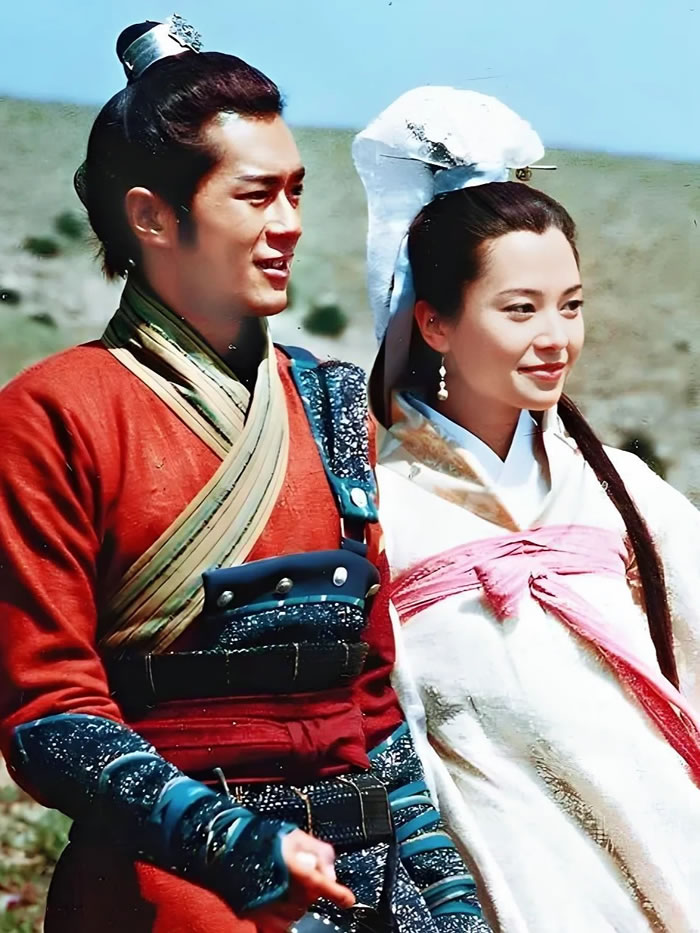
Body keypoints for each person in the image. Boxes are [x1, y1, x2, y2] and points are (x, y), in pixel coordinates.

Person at [0, 23, 489, 933]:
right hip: (174, 880)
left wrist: (448, 894)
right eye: (257, 195)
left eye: (296, 190)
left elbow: (371, 698)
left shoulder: (331, 401)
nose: (290, 223)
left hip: (368, 866)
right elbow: (48, 715)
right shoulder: (53, 413)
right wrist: (233, 844)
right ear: (153, 217)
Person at [353, 86, 700, 932]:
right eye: (521, 309)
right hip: (505, 895)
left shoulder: (619, 489)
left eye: (570, 305)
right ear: (434, 322)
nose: (556, 338)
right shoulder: (377, 513)